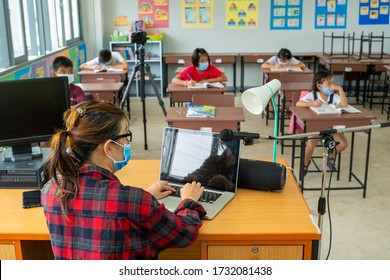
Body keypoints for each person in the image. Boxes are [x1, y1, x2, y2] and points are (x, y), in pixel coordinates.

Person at [41, 101, 206, 260]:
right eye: (126, 135)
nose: (127, 143)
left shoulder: (50, 190)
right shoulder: (133, 201)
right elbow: (185, 234)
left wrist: (146, 196)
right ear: (108, 147)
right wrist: (189, 201)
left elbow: (99, 209)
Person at [296, 70, 348, 175]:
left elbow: (344, 105)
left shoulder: (334, 96)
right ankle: (306, 163)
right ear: (319, 86)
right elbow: (298, 103)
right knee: (310, 144)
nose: (332, 86)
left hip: (331, 127)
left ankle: (331, 155)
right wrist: (312, 104)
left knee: (343, 144)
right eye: (329, 84)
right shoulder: (313, 95)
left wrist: (340, 89)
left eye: (333, 83)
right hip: (317, 127)